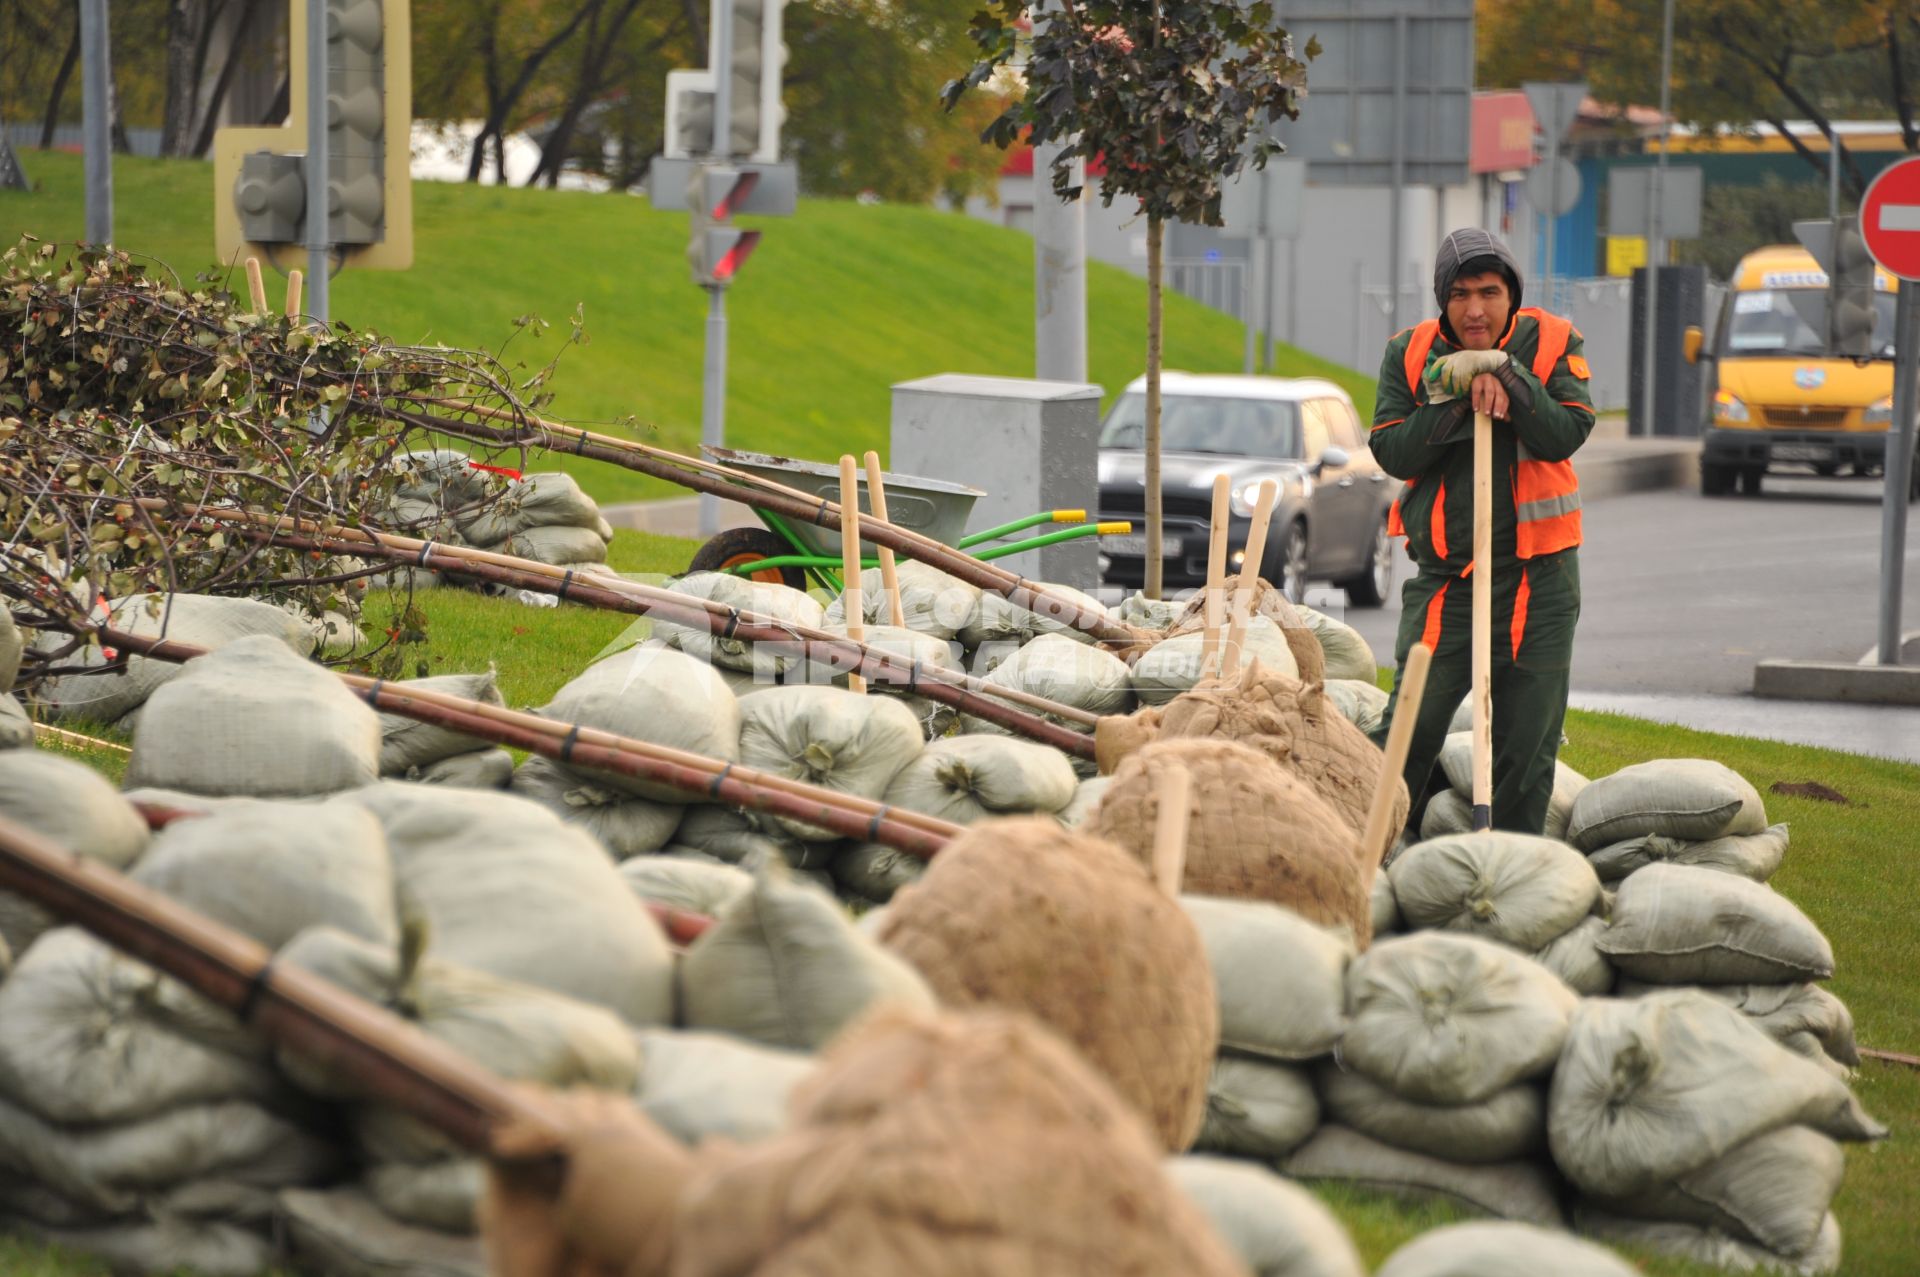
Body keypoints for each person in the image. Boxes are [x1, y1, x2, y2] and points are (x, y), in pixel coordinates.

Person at [1367, 228, 1595, 836]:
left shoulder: (1552, 340)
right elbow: (1392, 450)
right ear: (1443, 298)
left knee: (1526, 743)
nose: (1476, 310)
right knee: (1408, 728)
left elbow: (1564, 434)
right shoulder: (1409, 352)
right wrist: (1459, 397)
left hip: (1539, 581)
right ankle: (1367, 852)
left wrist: (1510, 378)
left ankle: (1514, 870)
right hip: (1447, 583)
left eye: (1490, 293)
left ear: (1510, 293)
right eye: (1461, 294)